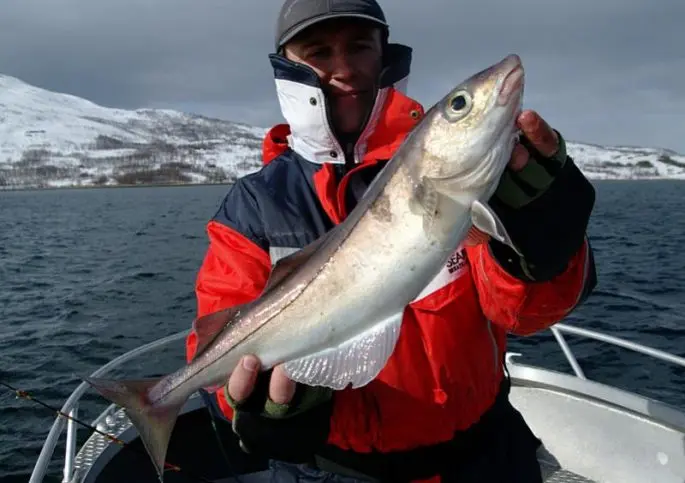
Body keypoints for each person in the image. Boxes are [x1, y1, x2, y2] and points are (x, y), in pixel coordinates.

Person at [187, 0, 598, 481]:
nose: (344, 69)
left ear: (384, 54)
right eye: (318, 51)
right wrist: (252, 409)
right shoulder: (255, 207)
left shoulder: (474, 185)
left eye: (359, 47)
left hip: (486, 459)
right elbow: (217, 346)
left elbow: (528, 313)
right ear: (286, 67)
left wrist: (542, 238)